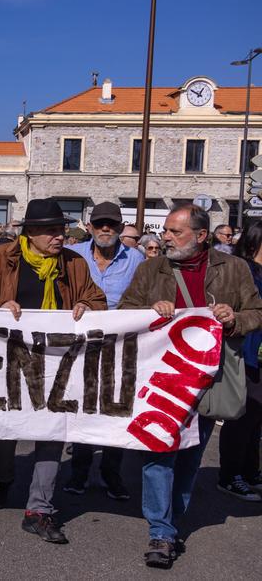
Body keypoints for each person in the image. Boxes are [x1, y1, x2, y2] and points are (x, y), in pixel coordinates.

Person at [117, 204, 262, 568]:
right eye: (165, 230)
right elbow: (125, 309)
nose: (165, 236)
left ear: (200, 236)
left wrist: (234, 319)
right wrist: (151, 309)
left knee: (190, 456)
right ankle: (161, 531)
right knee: (159, 453)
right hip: (163, 379)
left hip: (208, 380)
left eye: (175, 232)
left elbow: (256, 312)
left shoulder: (235, 268)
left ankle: (171, 517)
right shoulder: (152, 268)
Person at [0, 198, 107, 545]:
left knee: (52, 432)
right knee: (7, 428)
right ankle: (3, 477)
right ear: (31, 233)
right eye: (51, 231)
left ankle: (39, 510)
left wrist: (86, 304)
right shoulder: (3, 257)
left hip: (57, 364)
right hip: (10, 358)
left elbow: (99, 300)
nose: (59, 236)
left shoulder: (74, 263)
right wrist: (1, 304)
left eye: (61, 230)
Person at [62, 202, 144, 501]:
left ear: (121, 228)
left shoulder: (135, 259)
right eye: (99, 224)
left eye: (111, 224)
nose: (105, 229)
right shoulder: (73, 256)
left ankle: (112, 473)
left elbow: (143, 299)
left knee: (116, 412)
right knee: (83, 410)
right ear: (90, 227)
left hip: (120, 347)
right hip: (81, 346)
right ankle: (79, 472)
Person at [217, 222, 262, 502]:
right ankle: (230, 476)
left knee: (256, 418)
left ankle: (249, 470)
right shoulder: (243, 270)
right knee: (242, 416)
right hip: (245, 352)